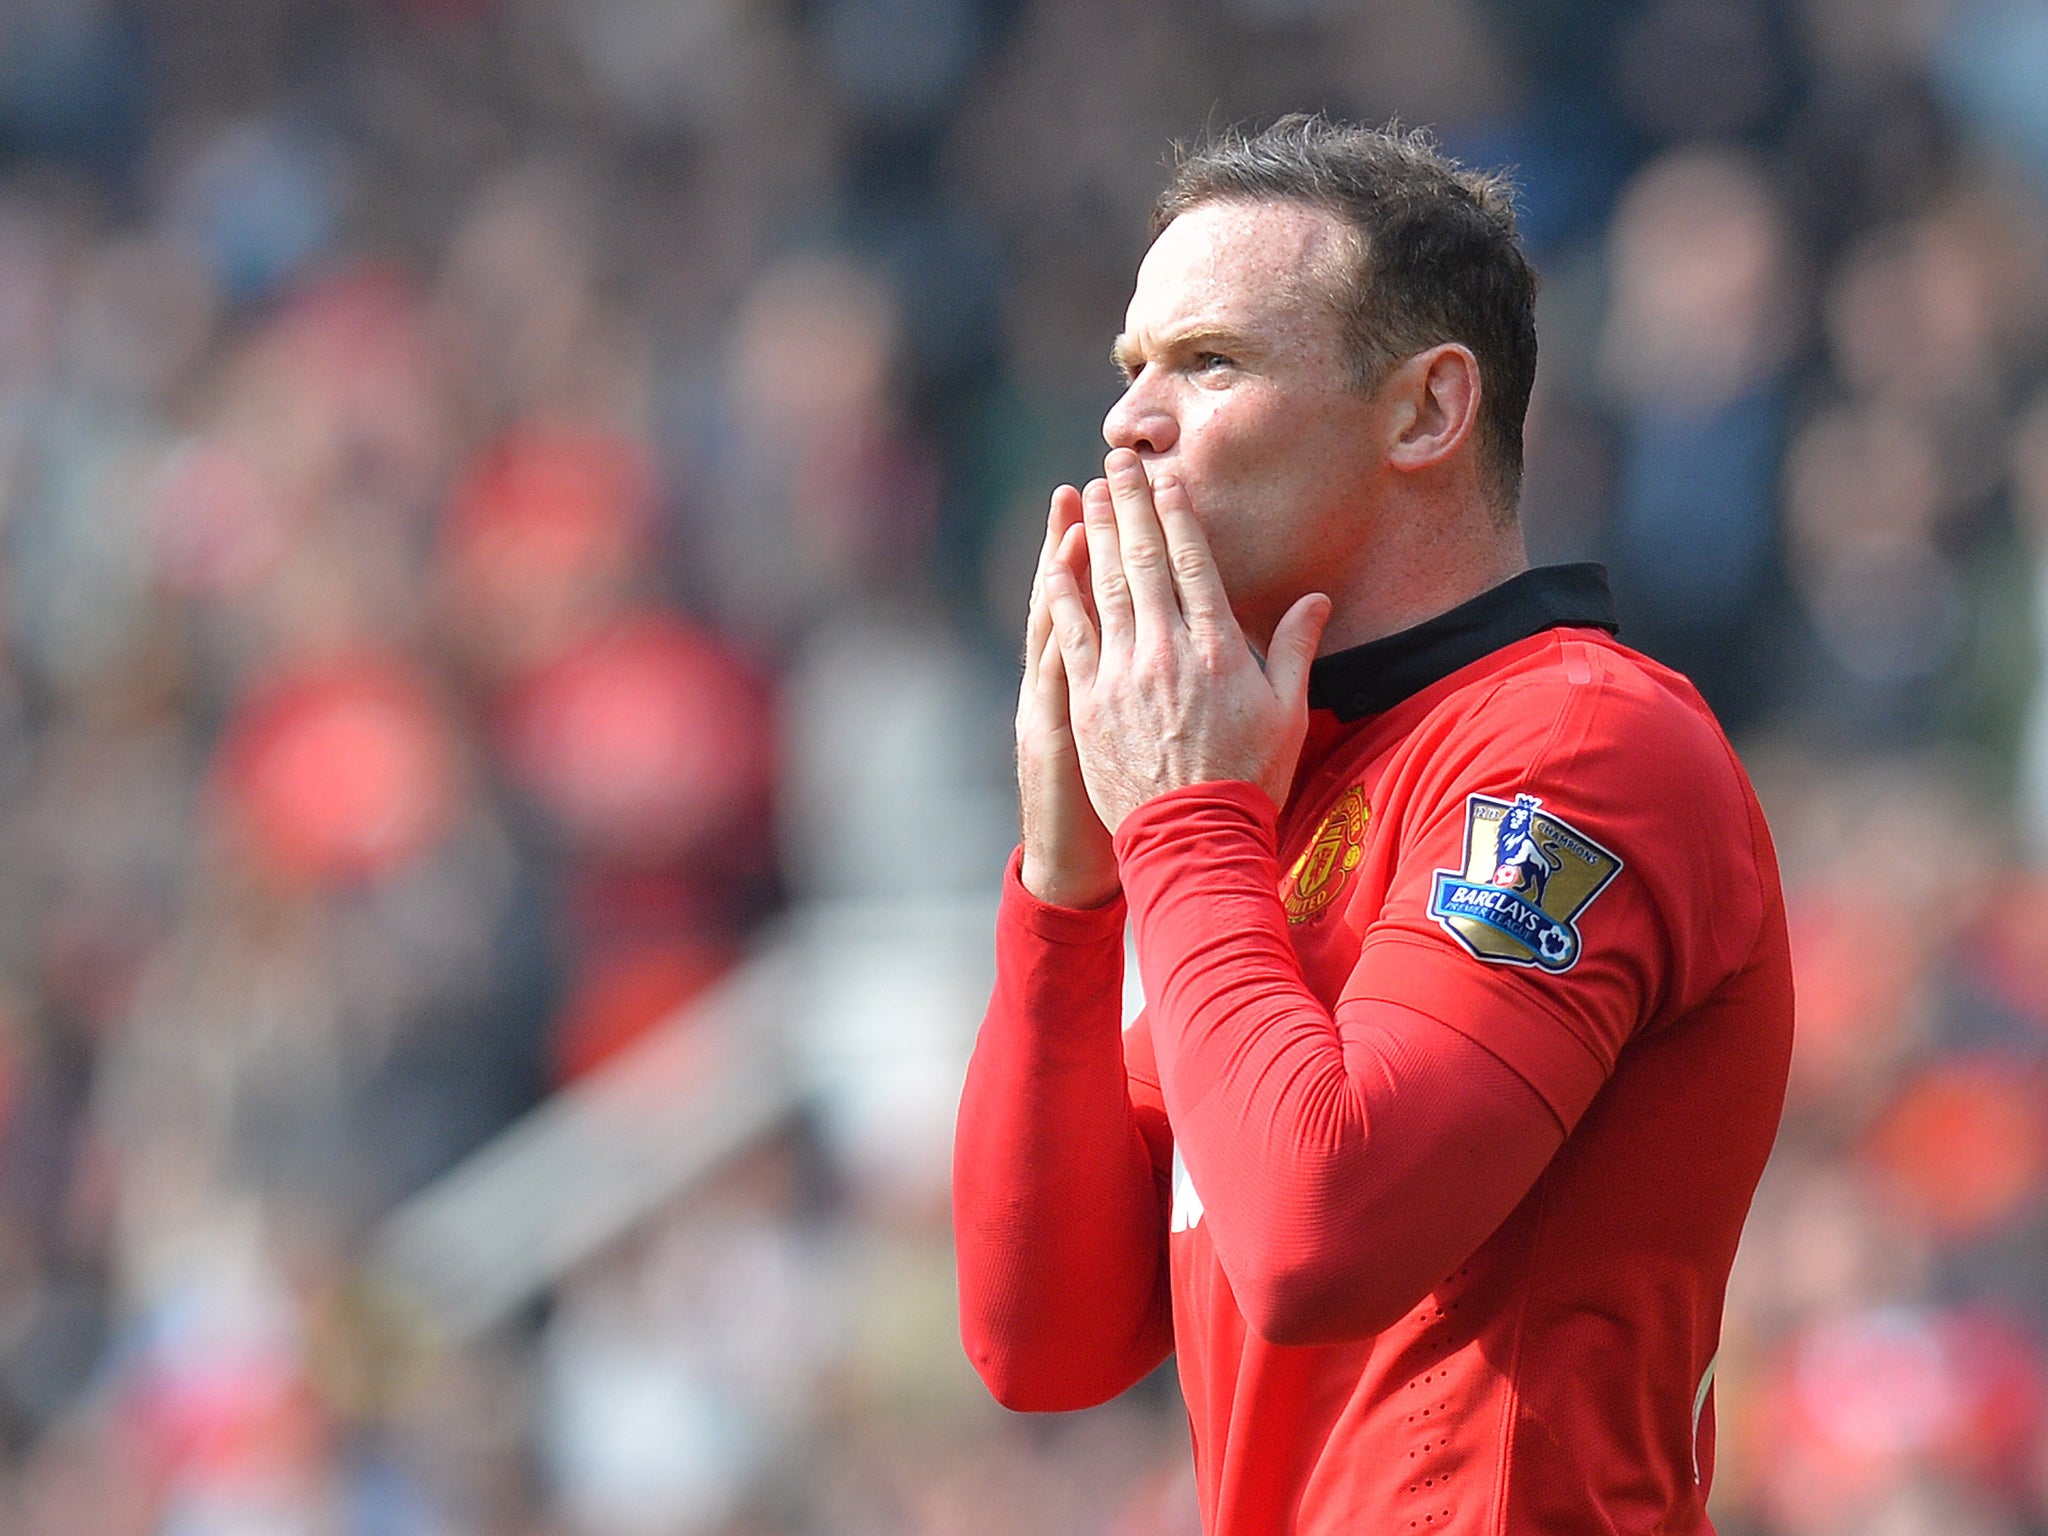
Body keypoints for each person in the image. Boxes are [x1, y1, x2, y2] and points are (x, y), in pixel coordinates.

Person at [951, 115, 1794, 1535]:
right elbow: (1043, 1339)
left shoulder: (1577, 743)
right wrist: (1066, 886)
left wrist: (1181, 823)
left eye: (1208, 362)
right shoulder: (1271, 791)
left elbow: (1318, 1241)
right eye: (1130, 369)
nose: (1126, 422)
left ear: (1426, 412)